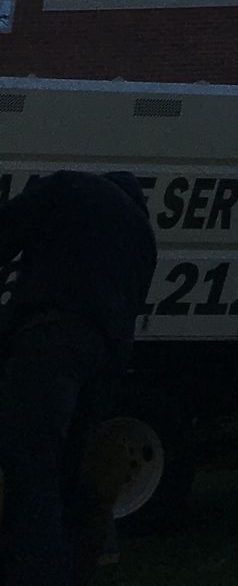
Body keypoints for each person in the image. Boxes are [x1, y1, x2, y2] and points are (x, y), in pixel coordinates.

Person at [0, 170, 157, 585]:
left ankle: (34, 574)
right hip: (104, 360)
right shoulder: (143, 238)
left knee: (31, 467)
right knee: (75, 474)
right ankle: (75, 567)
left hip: (50, 344)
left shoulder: (70, 187)